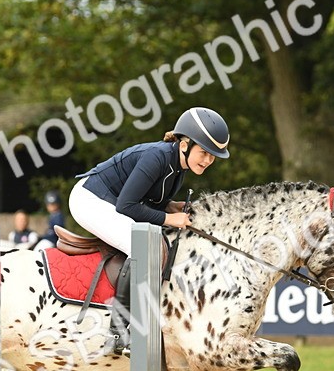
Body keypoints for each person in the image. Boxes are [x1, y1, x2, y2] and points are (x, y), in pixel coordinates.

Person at [68, 106, 229, 355]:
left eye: (213, 156)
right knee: (142, 247)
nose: (208, 160)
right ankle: (118, 332)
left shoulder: (178, 166)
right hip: (89, 199)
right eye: (205, 153)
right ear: (185, 144)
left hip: (110, 201)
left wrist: (169, 207)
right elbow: (128, 205)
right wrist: (170, 218)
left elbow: (150, 199)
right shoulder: (157, 156)